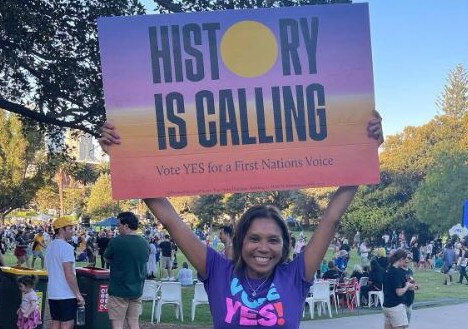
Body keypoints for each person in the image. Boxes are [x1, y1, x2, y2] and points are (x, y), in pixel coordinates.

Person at [98, 113, 383, 328]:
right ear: (241, 241)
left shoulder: (296, 276)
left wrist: (364, 150)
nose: (263, 247)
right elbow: (172, 220)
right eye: (254, 238)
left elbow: (331, 217)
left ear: (284, 246)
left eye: (273, 240)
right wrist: (124, 156)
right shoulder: (217, 271)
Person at [104, 212, 149, 329]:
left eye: (119, 225)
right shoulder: (144, 243)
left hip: (119, 290)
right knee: (134, 322)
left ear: (126, 226)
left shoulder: (116, 241)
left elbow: (106, 258)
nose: (117, 227)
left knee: (117, 323)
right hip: (137, 289)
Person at [46, 216, 85, 329]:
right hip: (66, 293)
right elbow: (69, 274)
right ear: (61, 230)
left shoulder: (50, 246)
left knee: (56, 322)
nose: (73, 231)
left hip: (53, 292)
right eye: (70, 228)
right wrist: (78, 294)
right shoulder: (66, 247)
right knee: (67, 324)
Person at [382, 249, 416, 329]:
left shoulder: (387, 270)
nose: (405, 262)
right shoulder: (396, 272)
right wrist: (407, 286)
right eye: (404, 260)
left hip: (387, 305)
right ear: (401, 259)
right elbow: (399, 292)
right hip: (396, 306)